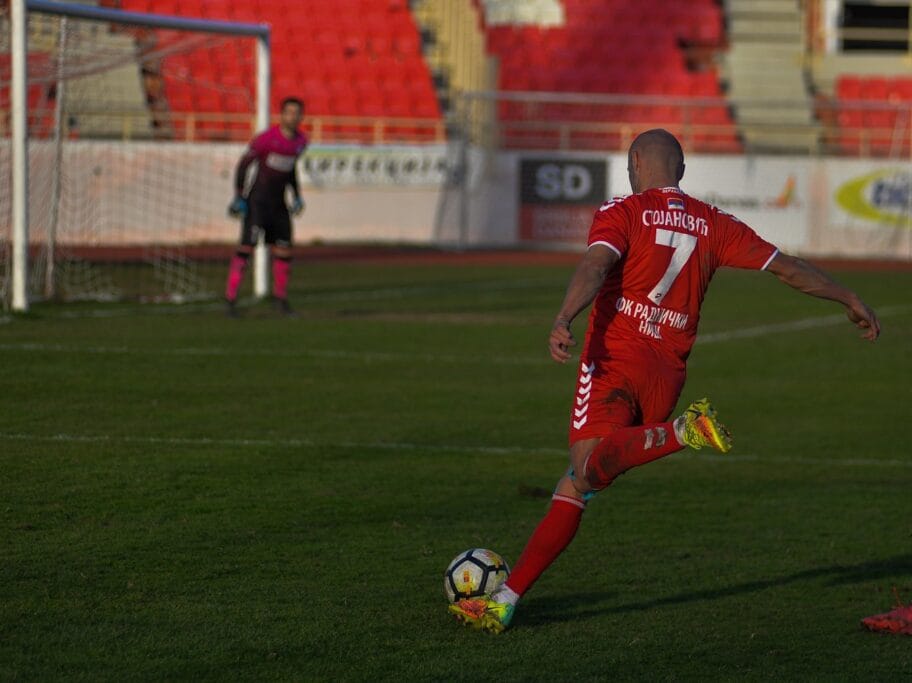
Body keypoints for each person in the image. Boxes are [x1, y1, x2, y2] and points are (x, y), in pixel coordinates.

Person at [449, 129, 881, 633]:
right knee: (578, 483)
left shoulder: (624, 210)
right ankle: (505, 599)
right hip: (667, 375)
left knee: (585, 466)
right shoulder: (715, 222)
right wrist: (848, 296)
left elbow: (596, 264)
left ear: (636, 162)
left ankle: (682, 432)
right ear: (681, 169)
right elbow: (787, 268)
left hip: (615, 359)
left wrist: (564, 316)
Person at [224, 96, 308, 317]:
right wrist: (239, 196)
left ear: (301, 116)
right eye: (289, 112)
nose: (293, 116)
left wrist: (297, 196)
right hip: (258, 203)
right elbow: (244, 165)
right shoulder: (266, 139)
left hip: (279, 205)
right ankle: (230, 300)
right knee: (246, 249)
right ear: (282, 115)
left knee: (284, 251)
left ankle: (280, 300)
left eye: (297, 113)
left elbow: (290, 169)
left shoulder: (301, 141)